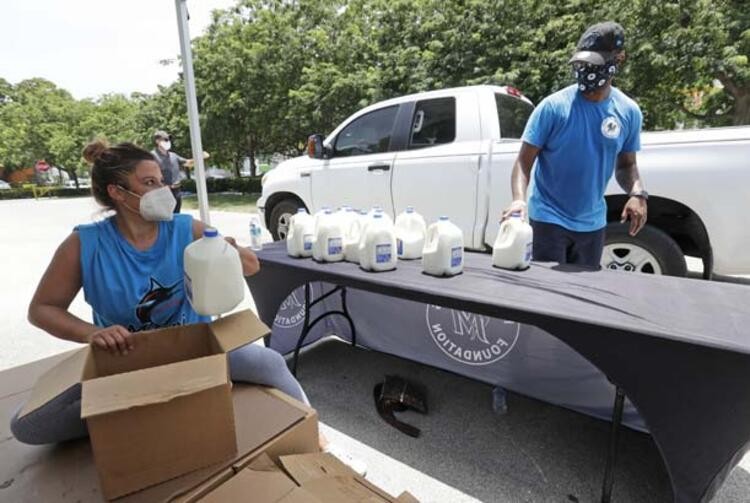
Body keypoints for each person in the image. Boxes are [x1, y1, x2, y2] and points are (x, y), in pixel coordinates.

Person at [10, 140, 363, 473]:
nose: (164, 191)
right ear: (118, 193)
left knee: (267, 361)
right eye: (149, 182)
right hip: (128, 363)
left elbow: (251, 267)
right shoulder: (84, 244)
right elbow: (42, 309)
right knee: (27, 425)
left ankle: (320, 441)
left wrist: (231, 252)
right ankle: (139, 412)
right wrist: (93, 334)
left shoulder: (183, 228)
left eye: (162, 181)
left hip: (196, 350)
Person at [502, 21, 648, 268]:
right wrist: (519, 199)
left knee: (578, 302)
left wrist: (637, 193)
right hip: (548, 220)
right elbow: (524, 163)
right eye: (583, 65)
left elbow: (626, 165)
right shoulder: (553, 107)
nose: (587, 71)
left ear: (619, 59)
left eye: (595, 65)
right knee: (544, 298)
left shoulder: (628, 112)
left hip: (592, 226)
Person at [151, 130, 192, 213]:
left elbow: (187, 163)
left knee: (176, 215)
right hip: (163, 191)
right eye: (165, 139)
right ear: (157, 141)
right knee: (165, 216)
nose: (168, 141)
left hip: (177, 191)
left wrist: (199, 157)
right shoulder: (152, 156)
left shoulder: (173, 155)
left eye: (168, 139)